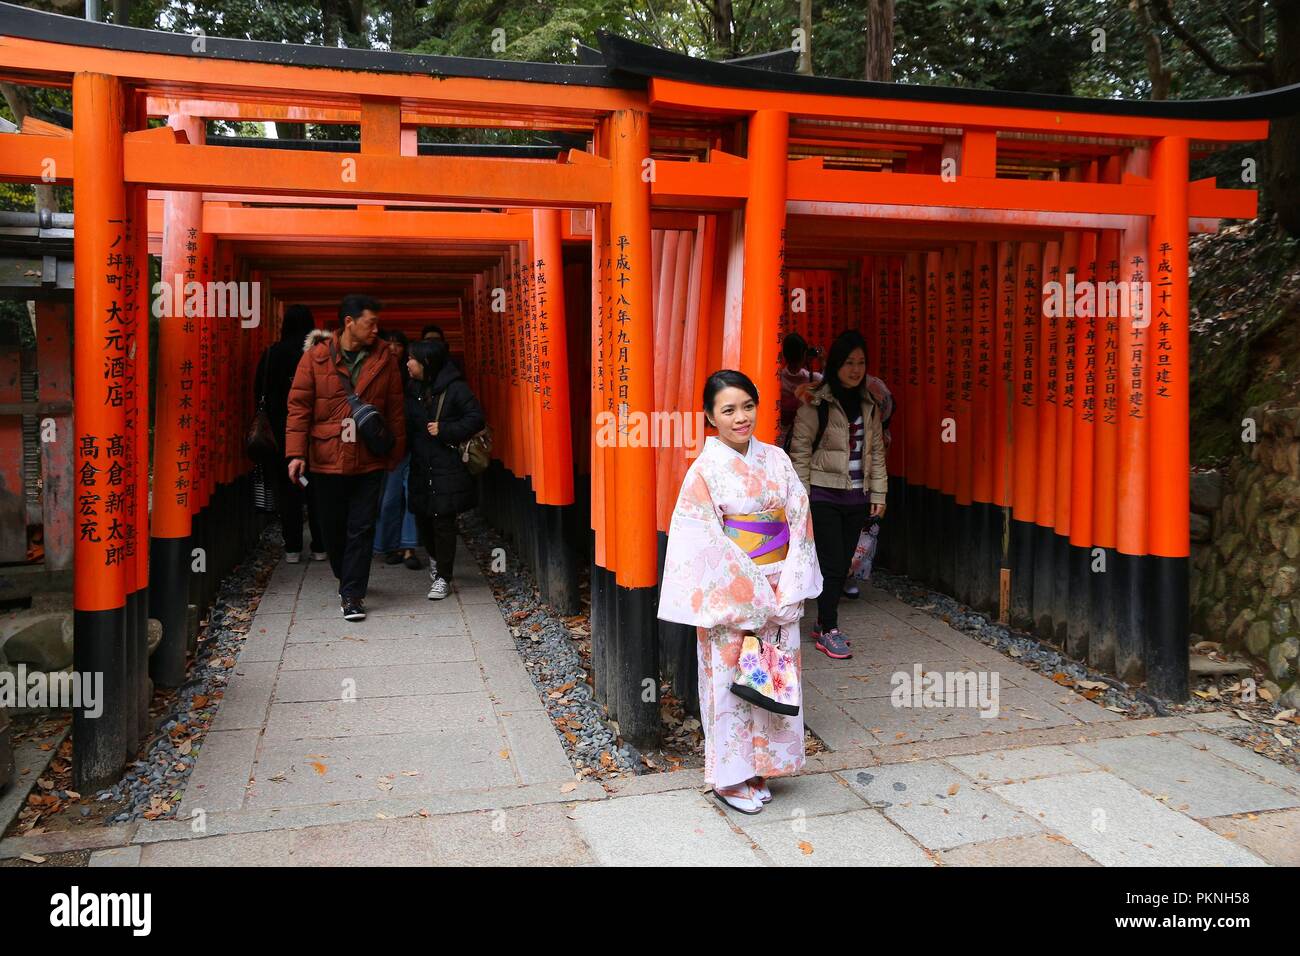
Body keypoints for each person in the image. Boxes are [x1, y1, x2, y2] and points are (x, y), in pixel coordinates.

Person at [658, 370, 822, 815]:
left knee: (771, 679)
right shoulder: (704, 471)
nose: (741, 417)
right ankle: (730, 778)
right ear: (710, 417)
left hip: (779, 587)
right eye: (728, 410)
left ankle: (761, 769)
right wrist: (751, 593)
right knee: (729, 687)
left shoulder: (776, 459)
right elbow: (702, 542)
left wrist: (790, 585)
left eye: (748, 406)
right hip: (734, 597)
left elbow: (798, 521)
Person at [285, 294, 406, 621]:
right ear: (349, 323)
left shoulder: (384, 358)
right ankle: (345, 573)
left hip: (369, 457)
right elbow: (299, 408)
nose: (376, 329)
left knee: (362, 527)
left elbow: (395, 409)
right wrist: (296, 454)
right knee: (332, 526)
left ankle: (352, 594)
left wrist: (395, 453)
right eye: (371, 322)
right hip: (326, 457)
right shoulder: (316, 358)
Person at [787, 330, 888, 660]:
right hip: (823, 494)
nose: (855, 369)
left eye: (860, 363)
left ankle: (822, 621)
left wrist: (880, 493)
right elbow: (800, 452)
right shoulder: (816, 402)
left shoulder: (869, 404)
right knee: (832, 565)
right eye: (848, 363)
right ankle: (828, 627)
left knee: (843, 564)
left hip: (856, 495)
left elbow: (875, 450)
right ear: (835, 365)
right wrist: (802, 497)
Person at [405, 337, 485, 600]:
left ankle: (443, 576)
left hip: (446, 465)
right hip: (420, 464)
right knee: (423, 517)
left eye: (412, 359)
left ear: (426, 362)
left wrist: (446, 430)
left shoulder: (456, 389)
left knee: (443, 521)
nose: (407, 363)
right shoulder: (412, 388)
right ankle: (435, 559)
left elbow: (476, 418)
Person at [253, 304, 325, 563]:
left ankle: (293, 547)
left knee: (288, 490)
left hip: (280, 433)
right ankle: (320, 546)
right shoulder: (318, 353)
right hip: (315, 432)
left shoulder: (272, 354)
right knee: (317, 489)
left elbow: (258, 391)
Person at [373, 330, 422, 569]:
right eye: (389, 344)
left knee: (410, 495)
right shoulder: (376, 371)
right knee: (389, 499)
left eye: (398, 344)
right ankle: (389, 544)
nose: (394, 348)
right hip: (389, 447)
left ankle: (409, 548)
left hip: (412, 443)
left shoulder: (412, 374)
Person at [777, 332, 822, 449]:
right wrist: (824, 362)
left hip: (781, 440)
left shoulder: (777, 381)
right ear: (804, 354)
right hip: (806, 439)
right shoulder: (814, 379)